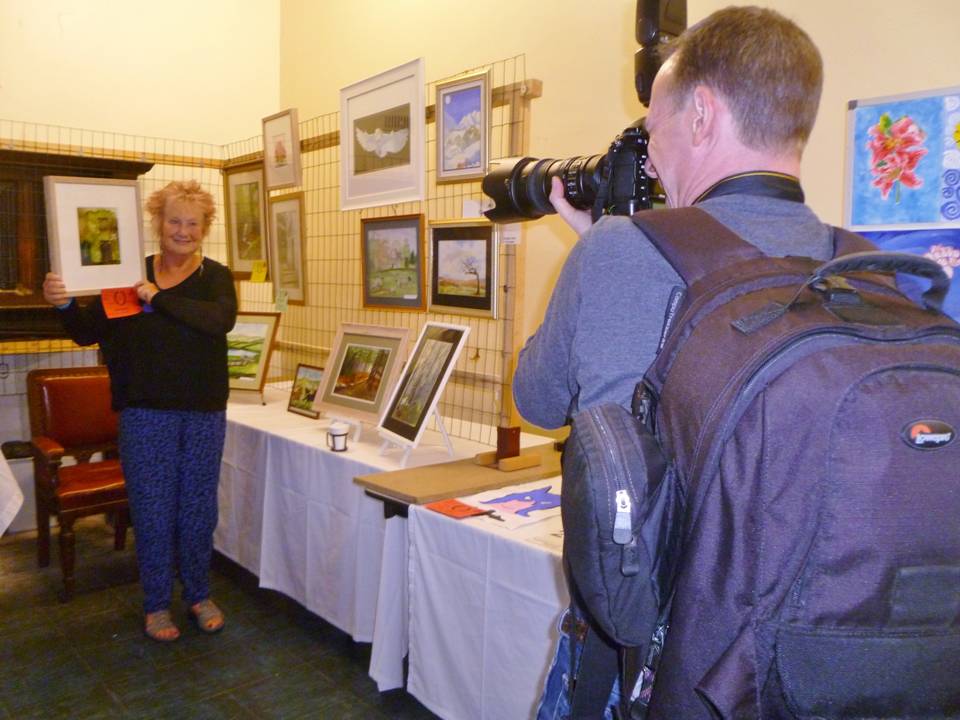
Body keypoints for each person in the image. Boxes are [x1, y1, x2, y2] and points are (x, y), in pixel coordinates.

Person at [512, 6, 829, 717]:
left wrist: (594, 257)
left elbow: (534, 401)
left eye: (653, 128)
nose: (649, 159)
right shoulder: (861, 264)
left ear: (704, 116)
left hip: (656, 662)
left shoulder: (621, 251)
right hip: (809, 661)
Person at [43, 180, 237, 643]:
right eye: (174, 220)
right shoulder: (126, 274)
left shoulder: (215, 277)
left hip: (203, 412)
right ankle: (155, 605)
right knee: (151, 510)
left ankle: (197, 594)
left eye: (193, 222)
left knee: (196, 509)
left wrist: (157, 297)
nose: (183, 230)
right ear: (156, 223)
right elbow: (87, 332)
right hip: (144, 413)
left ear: (205, 228)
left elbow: (219, 321)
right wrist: (65, 303)